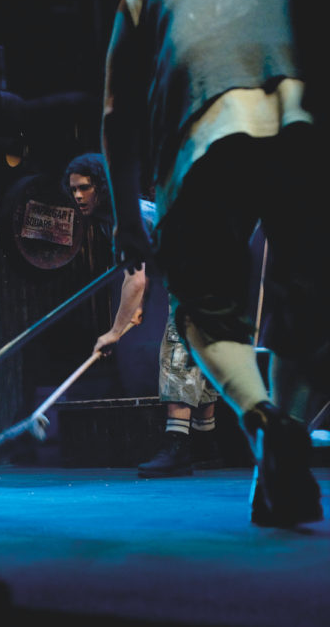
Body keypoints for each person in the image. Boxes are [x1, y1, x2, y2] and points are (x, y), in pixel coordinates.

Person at [102, 0, 324, 526]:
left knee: (203, 308)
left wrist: (127, 219)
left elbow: (118, 114)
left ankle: (263, 419)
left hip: (210, 133)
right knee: (303, 306)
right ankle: (279, 459)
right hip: (309, 125)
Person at [64, 153, 222, 479]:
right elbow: (146, 271)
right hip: (210, 270)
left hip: (200, 273)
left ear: (103, 187)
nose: (78, 196)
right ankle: (207, 443)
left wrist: (114, 332)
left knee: (177, 351)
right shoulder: (132, 213)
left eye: (85, 187)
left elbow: (134, 280)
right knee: (197, 355)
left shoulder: (126, 219)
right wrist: (137, 308)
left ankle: (177, 447)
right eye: (74, 189)